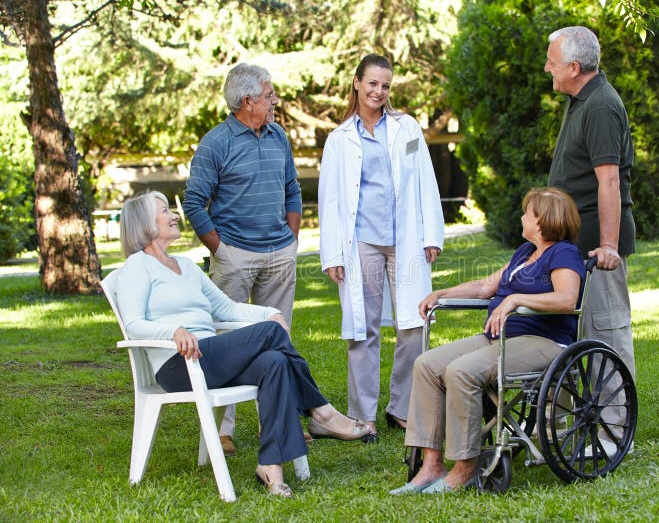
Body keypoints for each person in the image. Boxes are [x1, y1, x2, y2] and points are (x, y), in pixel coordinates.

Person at [116, 191, 370, 498]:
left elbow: (227, 309)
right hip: (177, 365)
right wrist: (173, 331)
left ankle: (271, 468)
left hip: (210, 358)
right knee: (271, 335)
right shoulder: (136, 267)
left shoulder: (185, 265)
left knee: (274, 363)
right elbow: (132, 324)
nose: (174, 215)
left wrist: (270, 313)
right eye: (165, 210)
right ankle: (323, 413)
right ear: (145, 223)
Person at [391, 187, 586, 494]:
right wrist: (442, 293)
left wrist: (514, 300)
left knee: (462, 371)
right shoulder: (525, 253)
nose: (522, 217)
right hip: (501, 338)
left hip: (544, 341)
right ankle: (431, 466)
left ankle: (465, 468)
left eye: (527, 213)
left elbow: (566, 298)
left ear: (543, 220)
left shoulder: (564, 253)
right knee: (427, 364)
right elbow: (485, 288)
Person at [318, 54, 445, 442]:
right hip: (362, 244)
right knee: (362, 328)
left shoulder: (406, 128)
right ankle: (362, 415)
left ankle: (401, 407)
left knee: (414, 322)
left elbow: (426, 179)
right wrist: (333, 254)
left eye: (386, 85)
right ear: (357, 83)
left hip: (405, 240)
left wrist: (431, 236)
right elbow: (331, 200)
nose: (379, 91)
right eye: (372, 83)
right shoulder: (340, 139)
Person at [183, 62, 302, 455]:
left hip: (279, 253)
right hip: (235, 256)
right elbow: (194, 202)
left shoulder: (278, 135)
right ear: (248, 101)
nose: (275, 102)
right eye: (269, 96)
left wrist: (290, 237)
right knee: (227, 341)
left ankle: (283, 421)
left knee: (279, 338)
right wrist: (221, 249)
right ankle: (221, 429)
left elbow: (292, 188)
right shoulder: (215, 143)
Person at [544, 26, 636, 456]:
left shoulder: (601, 106)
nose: (548, 68)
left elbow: (609, 181)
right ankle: (568, 428)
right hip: (571, 245)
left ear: (574, 68)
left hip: (598, 248)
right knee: (570, 334)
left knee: (606, 334)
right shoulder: (580, 99)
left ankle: (615, 434)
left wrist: (610, 248)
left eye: (553, 62)